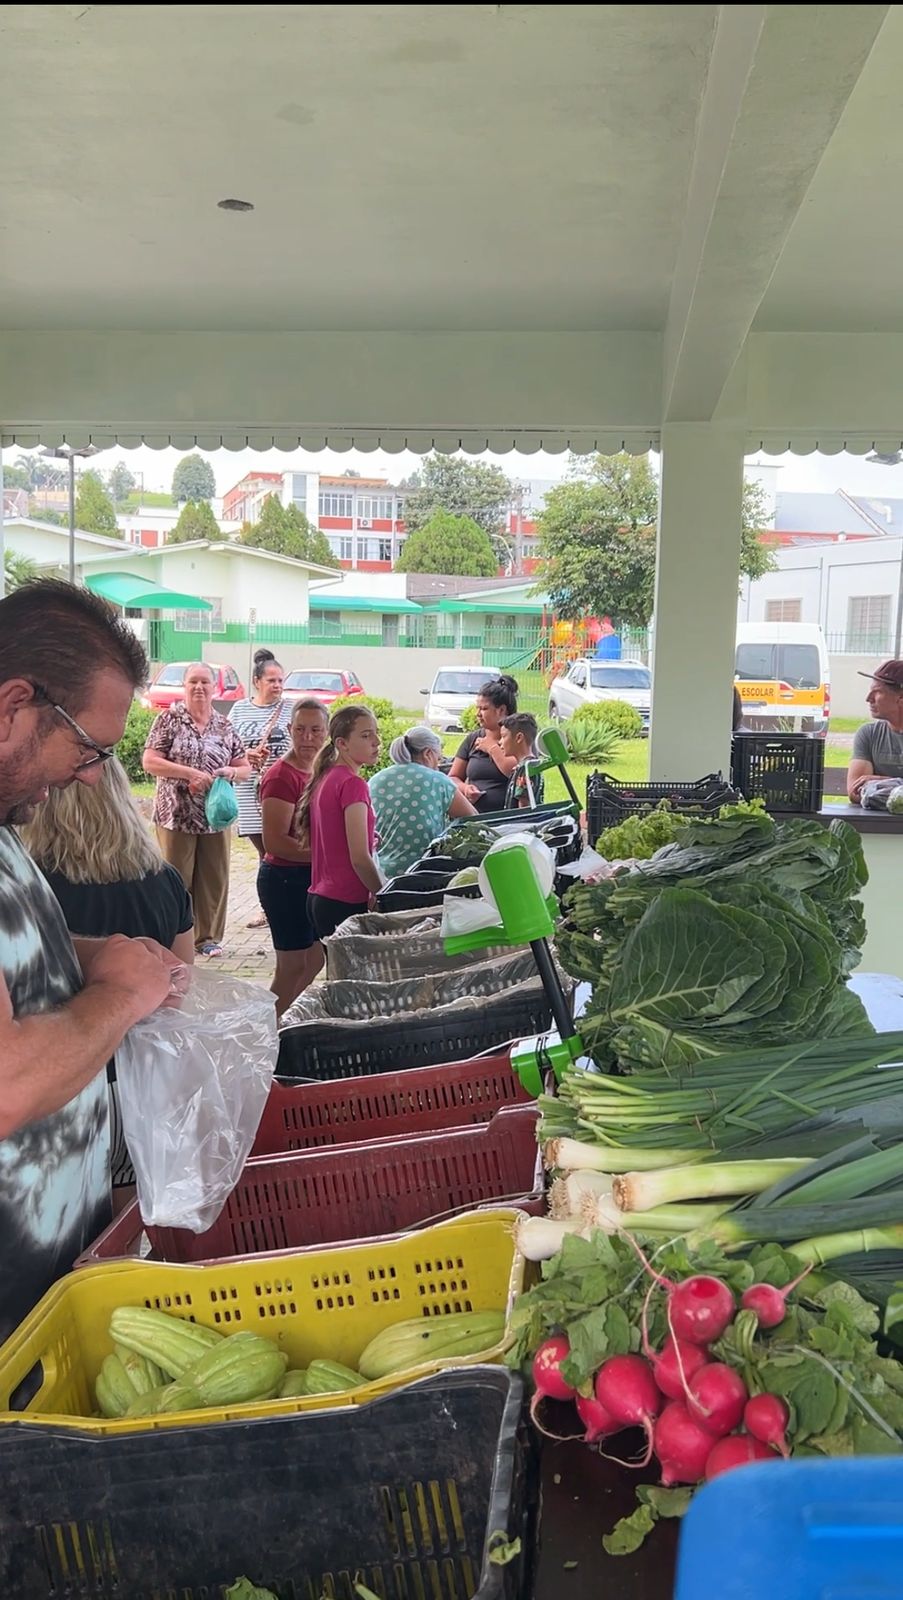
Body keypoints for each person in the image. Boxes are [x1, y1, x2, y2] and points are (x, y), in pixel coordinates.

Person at [0, 578, 181, 1341]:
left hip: (43, 1277)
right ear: (13, 707)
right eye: (88, 749)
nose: (89, 776)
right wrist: (121, 999)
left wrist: (96, 952)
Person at [20, 757, 196, 1194]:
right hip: (144, 1089)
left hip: (63, 1087)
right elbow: (182, 982)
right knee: (122, 1225)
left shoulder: (31, 888)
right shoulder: (166, 881)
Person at [142, 661, 253, 958]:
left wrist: (230, 771)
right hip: (176, 815)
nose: (199, 688)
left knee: (214, 878)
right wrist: (188, 773)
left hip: (215, 816)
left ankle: (208, 938)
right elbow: (150, 761)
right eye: (193, 682)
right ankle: (173, 935)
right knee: (177, 878)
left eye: (205, 682)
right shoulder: (169, 720)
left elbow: (245, 768)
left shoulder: (224, 724)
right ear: (185, 686)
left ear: (215, 687)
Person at [258, 697, 330, 1015]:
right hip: (284, 880)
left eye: (315, 730)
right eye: (300, 730)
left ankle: (286, 1021)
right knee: (291, 966)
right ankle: (263, 1031)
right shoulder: (280, 776)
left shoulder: (321, 770)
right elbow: (274, 842)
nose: (307, 738)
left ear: (328, 732)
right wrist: (329, 856)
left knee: (314, 959)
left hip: (310, 878)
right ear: (289, 730)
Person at [299, 705, 384, 939]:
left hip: (320, 897)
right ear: (342, 743)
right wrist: (383, 895)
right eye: (366, 735)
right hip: (344, 901)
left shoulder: (327, 778)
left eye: (376, 733)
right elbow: (359, 858)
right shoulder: (353, 784)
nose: (376, 741)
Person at [228, 649, 292, 929]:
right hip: (249, 793)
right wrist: (247, 754)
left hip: (286, 791)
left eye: (280, 680)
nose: (277, 686)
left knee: (285, 851)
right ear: (257, 681)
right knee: (265, 854)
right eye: (271, 681)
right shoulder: (239, 709)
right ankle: (269, 908)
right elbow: (227, 746)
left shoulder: (291, 709)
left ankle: (286, 906)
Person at [369, 725, 477, 879]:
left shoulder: (376, 780)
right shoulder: (437, 780)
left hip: (380, 875)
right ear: (427, 753)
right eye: (438, 758)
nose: (438, 765)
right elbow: (473, 820)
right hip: (423, 873)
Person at [450, 675, 520, 814]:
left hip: (508, 819)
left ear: (501, 710)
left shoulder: (517, 737)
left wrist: (492, 748)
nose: (478, 714)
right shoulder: (473, 739)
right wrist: (465, 788)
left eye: (484, 709)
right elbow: (452, 777)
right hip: (473, 816)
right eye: (478, 708)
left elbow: (513, 771)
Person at [848, 659, 903, 802]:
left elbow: (867, 790)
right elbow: (855, 791)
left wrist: (881, 781)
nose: (868, 699)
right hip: (875, 824)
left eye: (877, 692)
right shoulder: (868, 734)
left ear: (901, 698)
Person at [500, 713, 545, 809]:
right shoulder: (531, 765)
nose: (500, 742)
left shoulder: (526, 768)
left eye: (503, 736)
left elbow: (524, 808)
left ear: (519, 738)